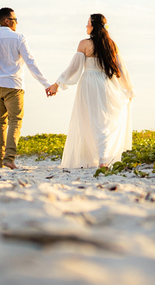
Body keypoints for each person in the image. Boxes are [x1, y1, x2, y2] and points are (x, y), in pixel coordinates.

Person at [49, 13, 134, 169]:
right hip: (106, 83)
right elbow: (121, 68)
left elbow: (73, 68)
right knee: (104, 121)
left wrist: (57, 83)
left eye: (88, 23)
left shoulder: (84, 44)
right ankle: (102, 158)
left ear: (94, 26)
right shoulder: (111, 45)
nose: (86, 26)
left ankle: (101, 159)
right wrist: (129, 87)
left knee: (90, 121)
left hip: (89, 84)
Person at [0, 7, 59, 169]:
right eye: (14, 19)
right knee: (15, 121)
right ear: (6, 21)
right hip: (13, 86)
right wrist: (46, 83)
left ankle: (1, 161)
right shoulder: (19, 38)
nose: (17, 22)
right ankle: (9, 157)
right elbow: (30, 62)